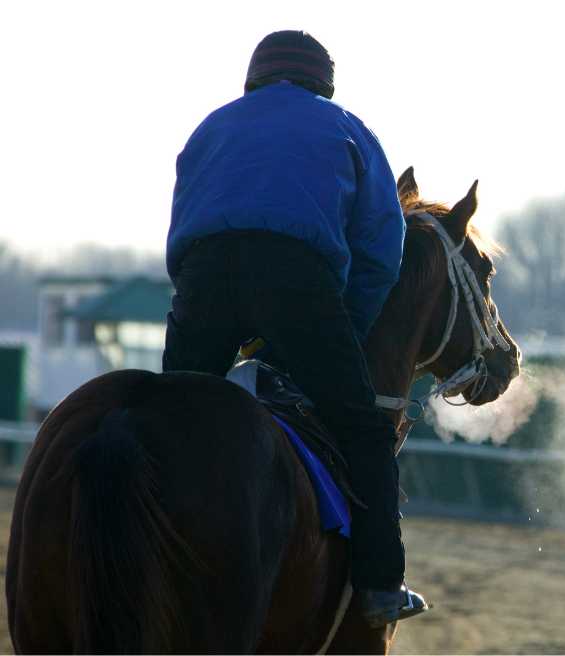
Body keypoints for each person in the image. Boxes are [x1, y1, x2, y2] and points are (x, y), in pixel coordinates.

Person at [163, 29, 425, 627]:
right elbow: (382, 251)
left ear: (253, 79)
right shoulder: (348, 129)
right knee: (363, 428)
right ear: (323, 85)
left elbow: (182, 227)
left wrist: (200, 299)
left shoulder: (212, 126)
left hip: (203, 277)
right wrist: (345, 332)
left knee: (174, 421)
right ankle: (381, 585)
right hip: (296, 281)